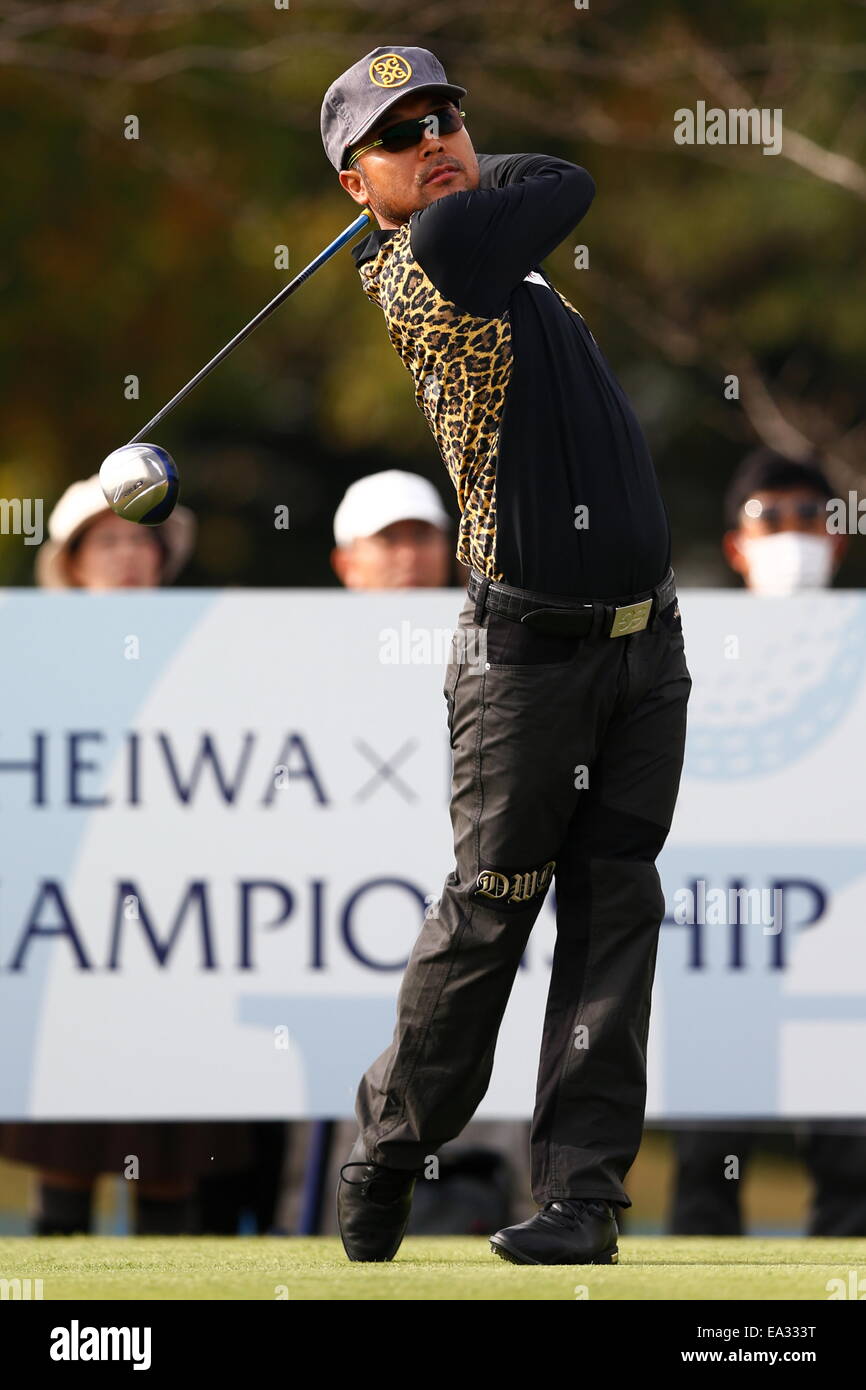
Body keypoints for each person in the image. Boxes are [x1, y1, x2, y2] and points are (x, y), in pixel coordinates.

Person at [319, 45, 692, 1264]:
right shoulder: (438, 257)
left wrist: (439, 171)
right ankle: (383, 1153)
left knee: (609, 916)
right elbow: (567, 178)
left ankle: (581, 1198)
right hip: (524, 660)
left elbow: (532, 186)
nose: (432, 140)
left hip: (642, 647)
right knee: (491, 916)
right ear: (351, 187)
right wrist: (452, 187)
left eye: (443, 119)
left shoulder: (487, 249)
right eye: (397, 136)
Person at [0, 475, 256, 1235]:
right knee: (67, 1132)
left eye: (142, 540)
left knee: (168, 1137)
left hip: (181, 927)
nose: (128, 556)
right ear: (74, 561)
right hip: (66, 925)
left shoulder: (209, 655)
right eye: (108, 541)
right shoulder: (29, 657)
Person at [669, 449, 866, 1238]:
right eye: (769, 519)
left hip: (845, 935)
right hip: (723, 929)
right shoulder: (686, 653)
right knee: (705, 1157)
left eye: (808, 517)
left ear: (839, 536)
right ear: (735, 546)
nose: (792, 535)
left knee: (852, 1157)